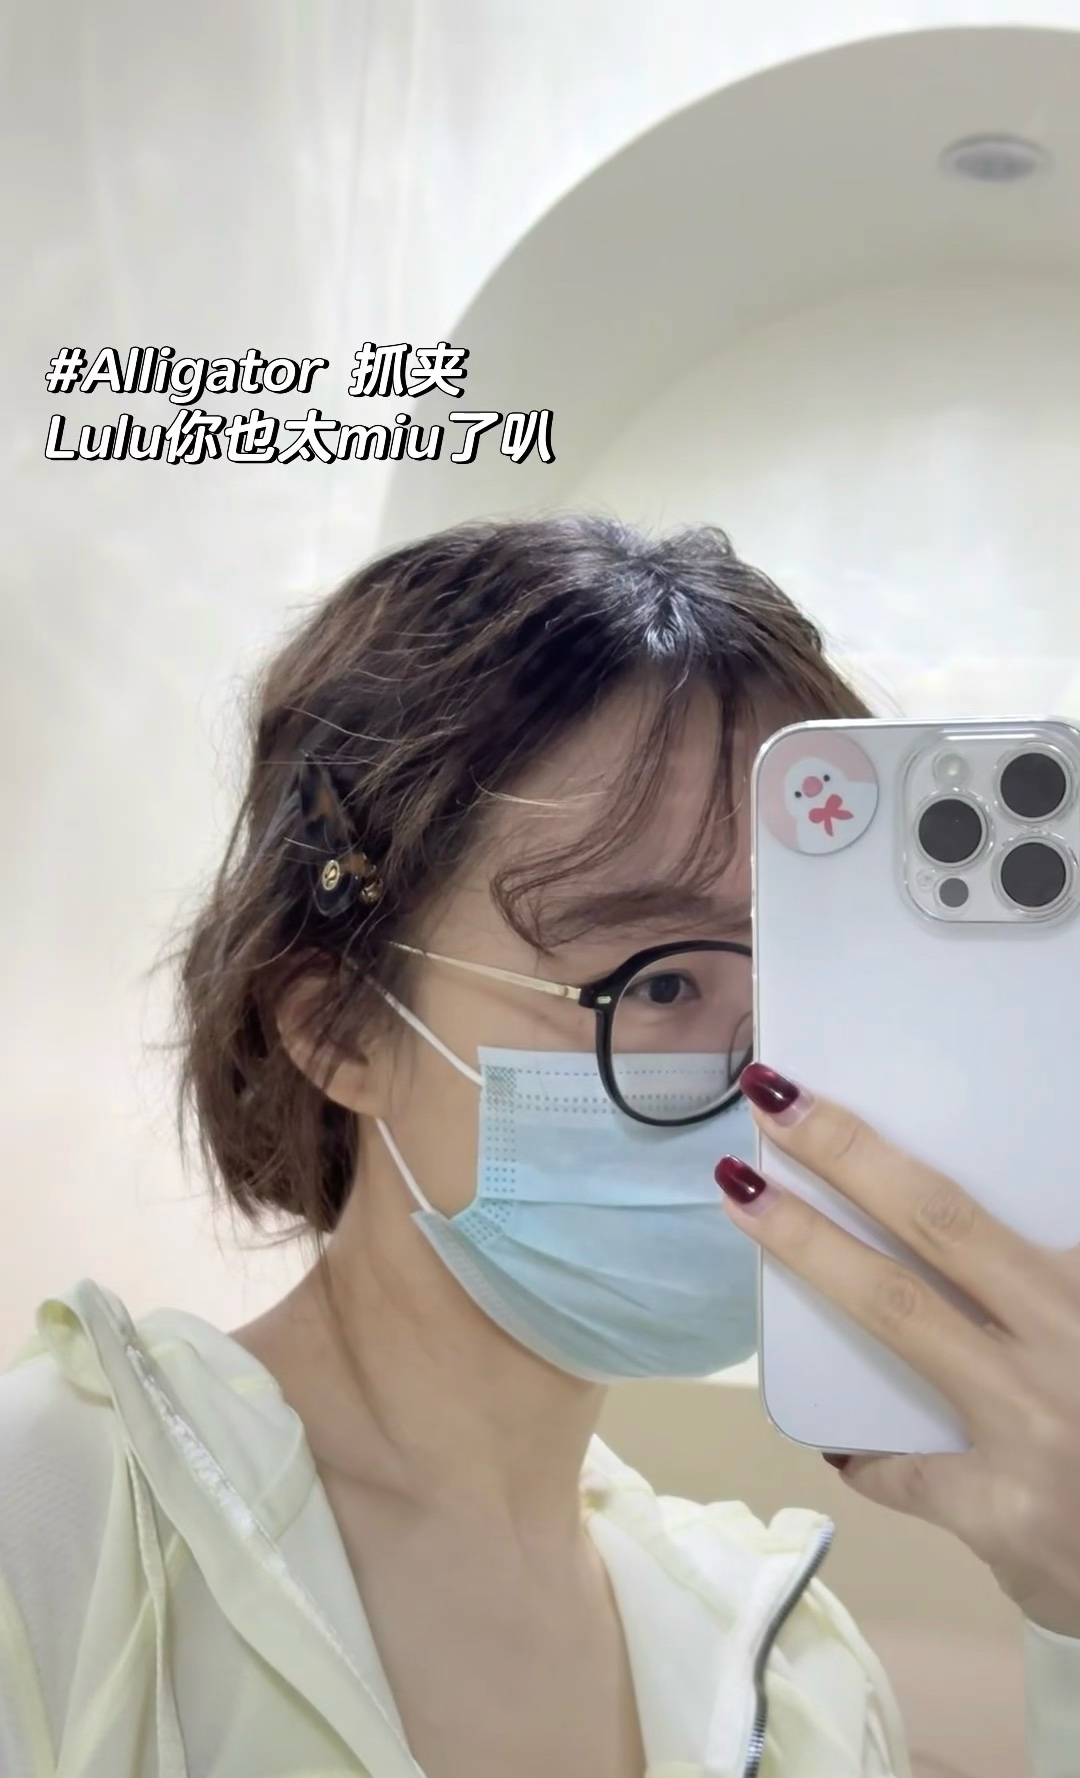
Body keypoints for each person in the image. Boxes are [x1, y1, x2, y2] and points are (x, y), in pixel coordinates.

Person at [0, 516, 1077, 1778]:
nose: (759, 1084)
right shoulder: (61, 1517)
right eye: (663, 982)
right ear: (339, 1025)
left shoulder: (798, 1672)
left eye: (809, 984)